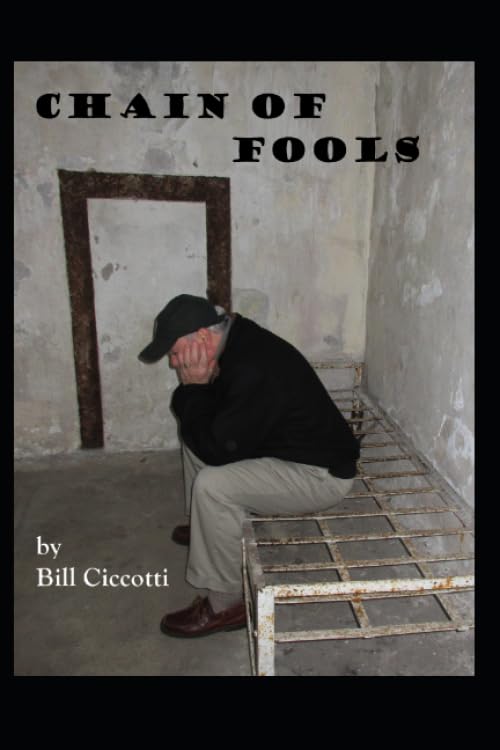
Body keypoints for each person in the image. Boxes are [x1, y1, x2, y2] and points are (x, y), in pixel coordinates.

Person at [138, 294, 360, 637]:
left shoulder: (252, 367)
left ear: (202, 337)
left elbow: (218, 450)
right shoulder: (235, 339)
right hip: (282, 448)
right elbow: (217, 429)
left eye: (175, 351)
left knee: (213, 486)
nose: (173, 361)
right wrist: (197, 392)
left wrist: (193, 388)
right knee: (197, 431)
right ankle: (206, 528)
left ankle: (226, 605)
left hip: (319, 476)